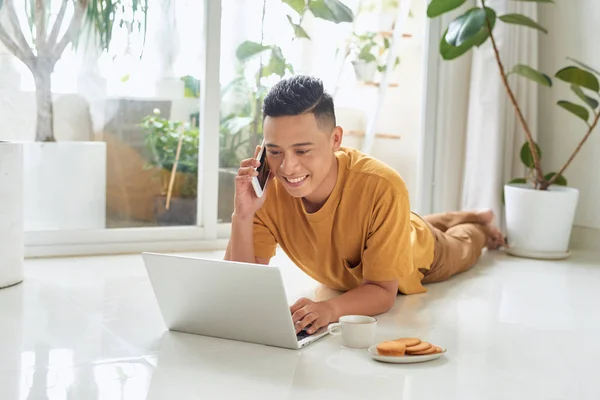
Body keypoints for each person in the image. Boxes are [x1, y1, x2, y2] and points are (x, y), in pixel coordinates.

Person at [224, 75, 505, 336]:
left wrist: (329, 310)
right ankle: (468, 214)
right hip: (392, 224)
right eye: (274, 151)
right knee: (404, 219)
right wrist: (243, 215)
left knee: (464, 243)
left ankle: (478, 222)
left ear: (335, 139)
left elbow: (382, 291)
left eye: (302, 150)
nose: (287, 167)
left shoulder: (382, 187)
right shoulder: (265, 192)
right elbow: (241, 287)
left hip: (423, 253)